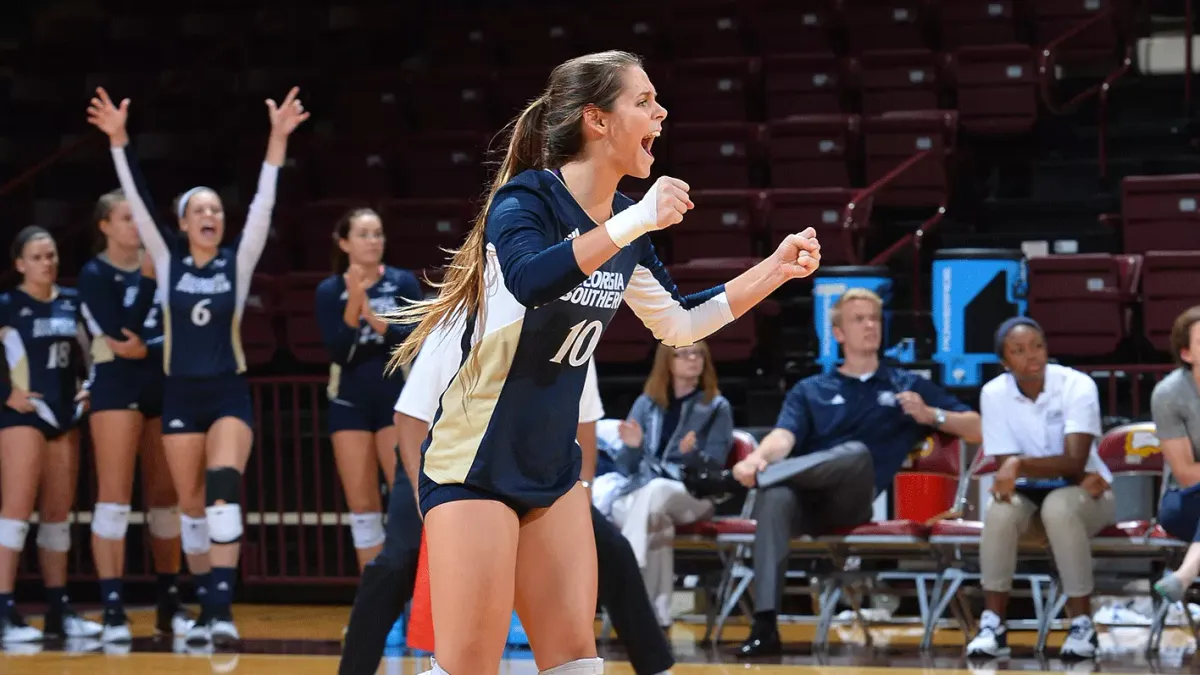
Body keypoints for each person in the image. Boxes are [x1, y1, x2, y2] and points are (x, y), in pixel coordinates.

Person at [384, 50, 821, 675]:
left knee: (576, 664)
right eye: (643, 101)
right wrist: (636, 219)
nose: (660, 112)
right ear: (596, 119)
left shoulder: (626, 232)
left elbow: (680, 325)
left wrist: (773, 270)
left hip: (552, 470)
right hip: (473, 465)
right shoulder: (527, 198)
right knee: (467, 669)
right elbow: (533, 278)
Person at [338, 304, 678, 675]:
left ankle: (656, 667)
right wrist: (428, 501)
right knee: (394, 562)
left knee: (612, 549)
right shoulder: (463, 322)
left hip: (537, 468)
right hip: (439, 460)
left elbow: (584, 421)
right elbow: (410, 417)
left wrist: (583, 490)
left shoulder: (578, 326)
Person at [87, 84, 308, 644]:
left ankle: (221, 610)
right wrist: (119, 142)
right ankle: (207, 604)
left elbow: (263, 205)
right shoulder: (164, 261)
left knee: (222, 489)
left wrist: (277, 141)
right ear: (183, 223)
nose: (210, 214)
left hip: (227, 392)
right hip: (179, 394)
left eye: (215, 208)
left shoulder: (236, 263)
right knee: (190, 507)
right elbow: (135, 199)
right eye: (199, 209)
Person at [730, 288, 980, 656]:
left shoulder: (904, 385)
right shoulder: (811, 389)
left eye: (874, 319)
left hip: (853, 501)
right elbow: (783, 436)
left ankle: (771, 477)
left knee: (855, 453)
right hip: (803, 497)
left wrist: (931, 415)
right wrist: (756, 460)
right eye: (858, 320)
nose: (869, 326)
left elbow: (977, 427)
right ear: (839, 333)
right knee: (773, 496)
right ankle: (765, 625)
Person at [78, 190, 193, 642]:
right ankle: (111, 608)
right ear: (104, 225)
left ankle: (169, 601)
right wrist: (146, 284)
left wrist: (153, 343)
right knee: (113, 497)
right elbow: (123, 335)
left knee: (165, 500)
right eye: (127, 219)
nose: (136, 227)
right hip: (115, 386)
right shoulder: (95, 273)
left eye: (139, 220)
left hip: (158, 385)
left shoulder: (162, 265)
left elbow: (170, 332)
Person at [964, 317, 1114, 661]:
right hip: (1033, 494)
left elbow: (1076, 463)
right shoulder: (993, 393)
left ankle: (1081, 625)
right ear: (1004, 362)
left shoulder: (1078, 385)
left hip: (1090, 492)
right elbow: (1005, 464)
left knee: (1059, 508)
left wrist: (1020, 465)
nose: (1032, 355)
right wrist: (1017, 467)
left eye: (1038, 346)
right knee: (1000, 511)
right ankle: (993, 625)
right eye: (1018, 351)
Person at [0, 227, 101, 643]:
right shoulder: (8, 305)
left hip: (64, 414)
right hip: (23, 414)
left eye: (52, 255)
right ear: (20, 264)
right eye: (38, 257)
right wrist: (7, 394)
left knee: (58, 516)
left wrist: (90, 388)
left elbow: (97, 351)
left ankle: (58, 609)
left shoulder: (73, 303)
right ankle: (4, 611)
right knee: (17, 511)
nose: (48, 263)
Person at [316, 208, 423, 570]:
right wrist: (354, 303)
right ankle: (374, 606)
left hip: (395, 399)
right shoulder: (329, 290)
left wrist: (372, 316)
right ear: (344, 243)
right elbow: (338, 351)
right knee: (362, 507)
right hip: (349, 403)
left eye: (378, 234)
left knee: (403, 501)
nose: (373, 241)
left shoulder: (402, 282)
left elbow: (409, 341)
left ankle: (409, 604)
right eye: (364, 234)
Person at [611, 340, 733, 627]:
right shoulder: (647, 403)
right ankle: (656, 620)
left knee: (656, 492)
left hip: (692, 494)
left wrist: (693, 456)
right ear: (667, 361)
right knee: (656, 520)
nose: (692, 359)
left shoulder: (715, 406)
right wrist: (632, 447)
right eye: (683, 354)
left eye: (698, 354)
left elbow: (715, 467)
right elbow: (625, 468)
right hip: (645, 493)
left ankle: (628, 563)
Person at [1149, 307, 1200, 603]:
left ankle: (1183, 575)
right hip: (1183, 499)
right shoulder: (1169, 394)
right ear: (1186, 354)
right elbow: (1186, 473)